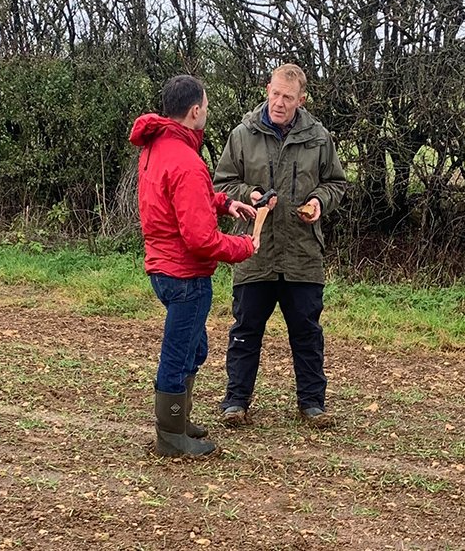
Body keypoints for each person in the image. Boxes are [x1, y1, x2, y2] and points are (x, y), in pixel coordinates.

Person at [212, 63, 347, 428]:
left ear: (301, 100)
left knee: (307, 333)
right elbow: (222, 184)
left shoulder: (319, 138)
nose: (279, 102)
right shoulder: (243, 134)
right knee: (245, 331)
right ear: (266, 90)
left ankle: (312, 404)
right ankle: (235, 402)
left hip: (303, 254)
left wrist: (319, 201)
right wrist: (250, 194)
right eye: (275, 94)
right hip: (254, 251)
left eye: (288, 97)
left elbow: (336, 184)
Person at [129, 75, 258, 457]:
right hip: (185, 275)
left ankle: (179, 420)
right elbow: (201, 239)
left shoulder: (156, 147)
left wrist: (224, 203)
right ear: (195, 110)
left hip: (162, 268)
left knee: (194, 347)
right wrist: (244, 246)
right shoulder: (188, 162)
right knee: (179, 353)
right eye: (206, 106)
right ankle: (171, 435)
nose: (207, 112)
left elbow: (180, 199)